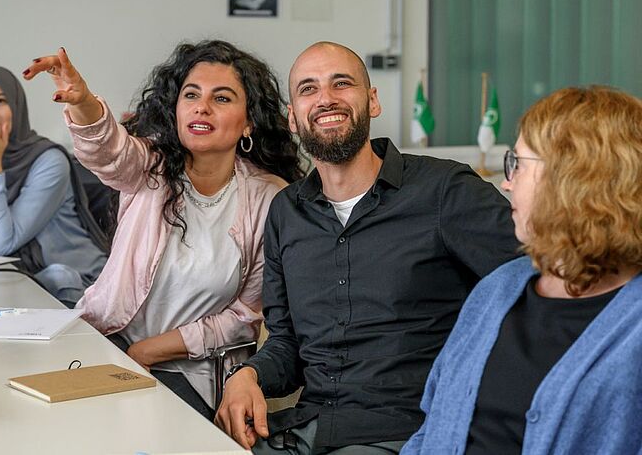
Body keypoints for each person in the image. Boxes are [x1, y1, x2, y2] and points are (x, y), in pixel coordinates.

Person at [215, 41, 520, 453]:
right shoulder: (286, 213)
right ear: (292, 117)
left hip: (405, 433)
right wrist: (246, 376)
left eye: (342, 84)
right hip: (305, 430)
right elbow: (287, 343)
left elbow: (538, 276)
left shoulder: (445, 190)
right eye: (308, 89)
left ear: (372, 101)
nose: (326, 99)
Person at [22, 41, 305, 419]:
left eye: (222, 98)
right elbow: (108, 150)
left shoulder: (269, 198)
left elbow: (245, 317)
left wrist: (147, 351)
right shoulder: (149, 167)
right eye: (191, 94)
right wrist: (82, 101)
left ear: (249, 121)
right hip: (105, 341)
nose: (202, 106)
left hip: (192, 370)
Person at [402, 86, 642, 454]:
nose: (505, 182)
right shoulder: (496, 289)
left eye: (517, 163)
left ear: (572, 181)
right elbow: (431, 427)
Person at [0, 65, 109, 308]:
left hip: (75, 284)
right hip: (3, 281)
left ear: (16, 107)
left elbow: (1, 244)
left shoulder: (49, 161)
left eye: (0, 101)